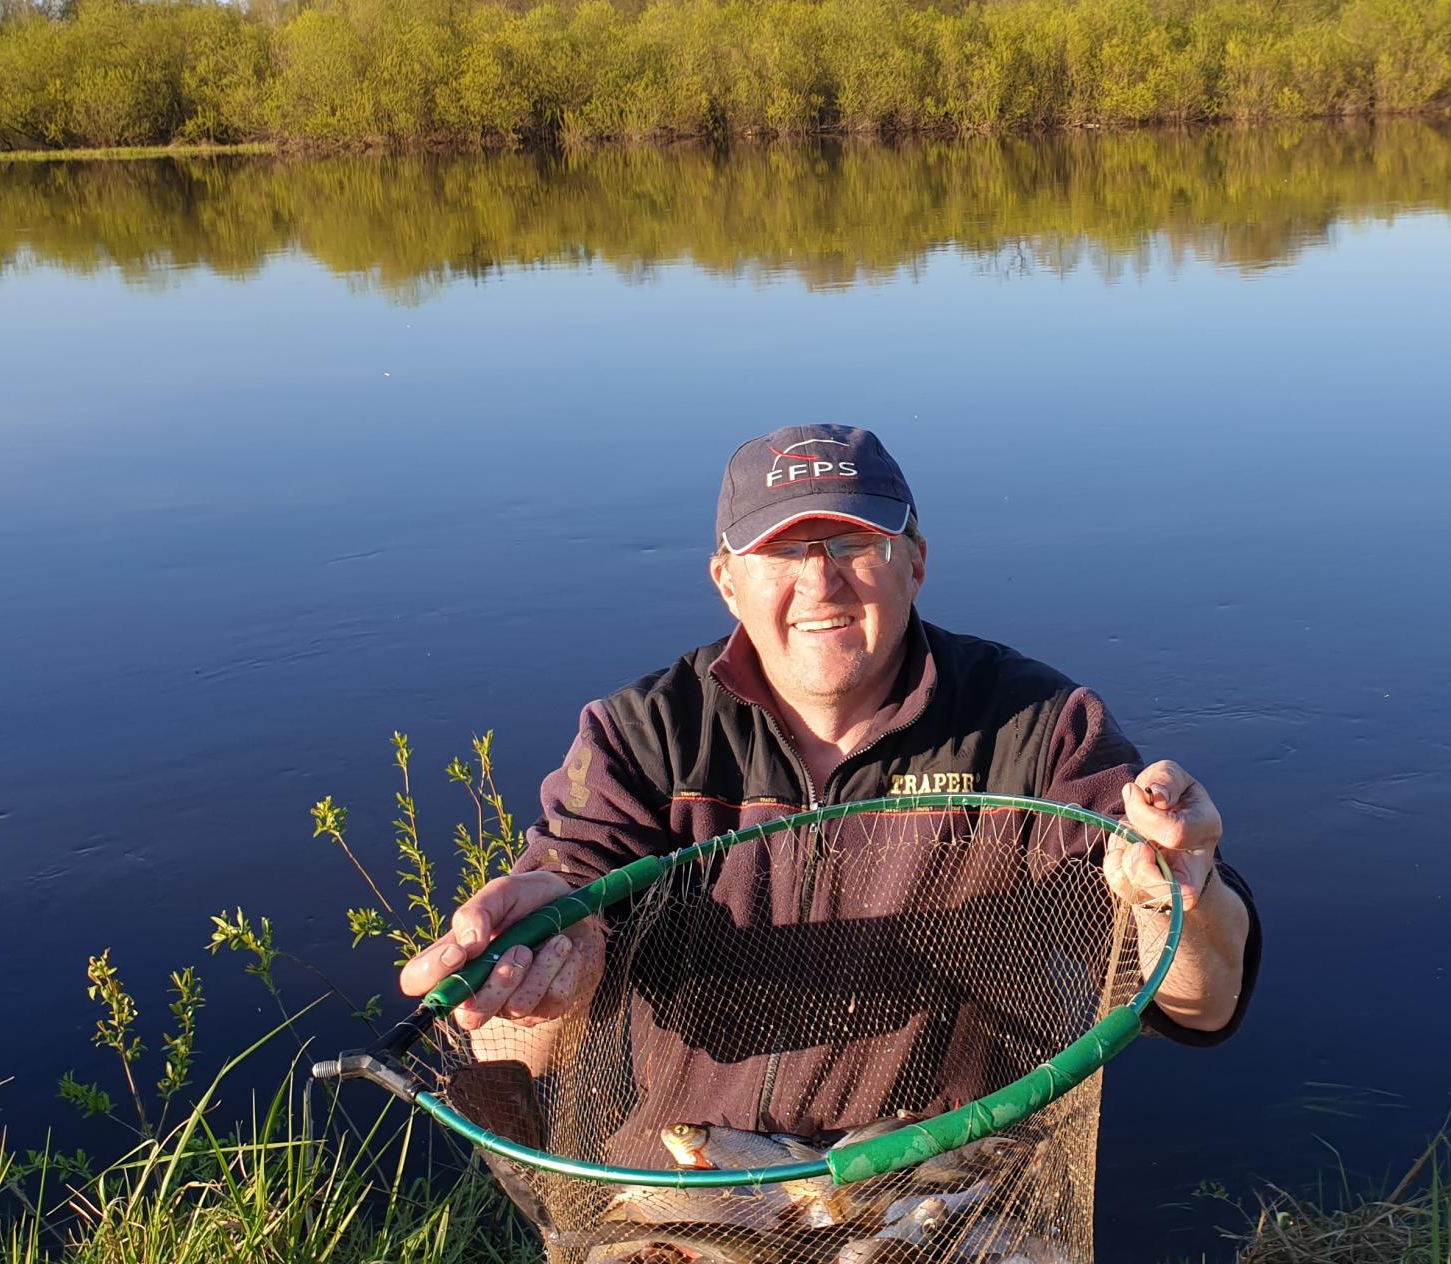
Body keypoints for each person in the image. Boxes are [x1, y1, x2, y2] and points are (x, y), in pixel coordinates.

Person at [397, 424, 1259, 1148]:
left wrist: (1177, 892)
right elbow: (571, 907)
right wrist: (542, 951)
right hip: (692, 1173)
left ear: (914, 562)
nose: (820, 581)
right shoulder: (644, 733)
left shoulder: (1038, 729)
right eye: (781, 550)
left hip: (945, 1181)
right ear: (726, 581)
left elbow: (1202, 1004)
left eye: (853, 544)